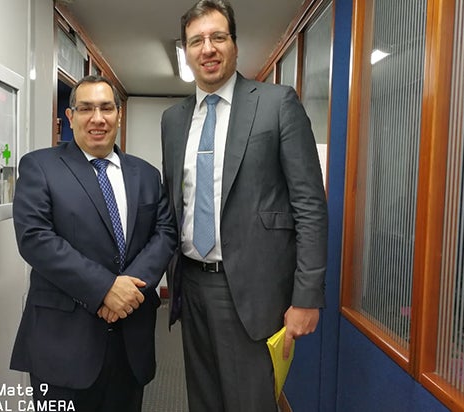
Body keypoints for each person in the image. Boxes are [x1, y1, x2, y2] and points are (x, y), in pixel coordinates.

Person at [160, 1, 328, 411]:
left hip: (253, 292)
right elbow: (175, 204)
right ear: (186, 51)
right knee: (203, 401)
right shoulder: (173, 120)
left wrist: (306, 296)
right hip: (190, 285)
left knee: (250, 403)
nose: (208, 48)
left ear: (235, 44)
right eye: (196, 41)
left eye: (218, 37)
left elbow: (309, 204)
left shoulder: (277, 103)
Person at [10, 75, 177, 412]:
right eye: (86, 109)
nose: (97, 118)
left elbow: (165, 232)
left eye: (106, 108)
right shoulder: (40, 166)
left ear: (119, 114)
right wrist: (105, 289)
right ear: (70, 116)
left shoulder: (146, 174)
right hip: (64, 343)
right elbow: (35, 239)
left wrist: (127, 291)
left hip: (130, 341)